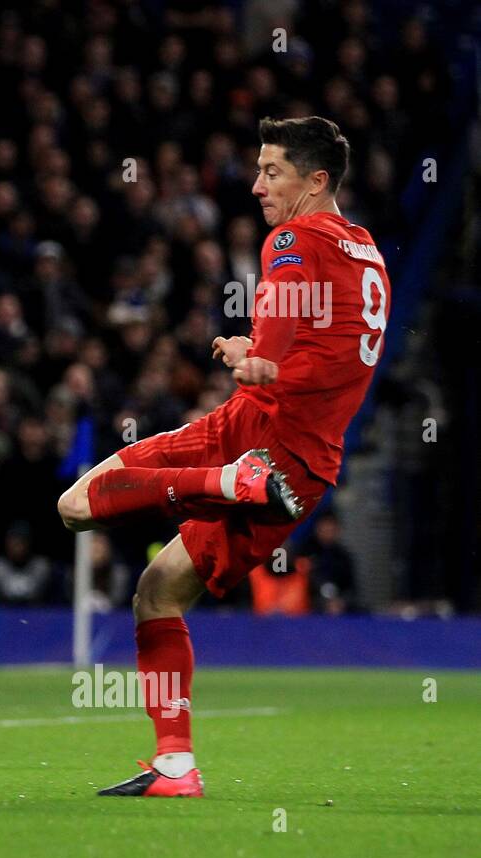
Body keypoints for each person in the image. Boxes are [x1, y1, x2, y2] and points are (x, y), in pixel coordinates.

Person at [57, 117, 390, 797]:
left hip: (253, 444)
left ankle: (229, 482)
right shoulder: (366, 250)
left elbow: (268, 357)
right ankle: (174, 767)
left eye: (273, 172)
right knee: (157, 592)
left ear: (315, 180)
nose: (257, 184)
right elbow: (321, 340)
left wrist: (254, 356)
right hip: (308, 469)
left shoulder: (293, 238)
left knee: (74, 505)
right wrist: (266, 355)